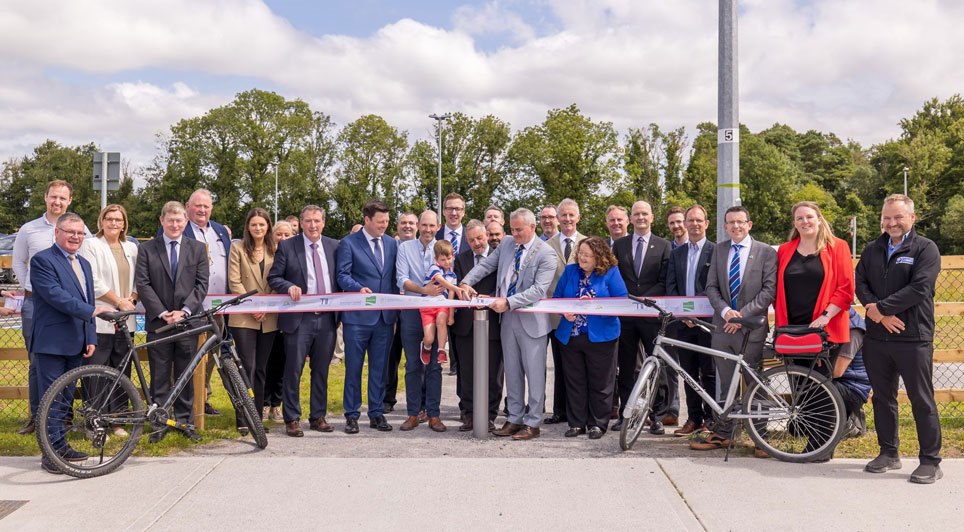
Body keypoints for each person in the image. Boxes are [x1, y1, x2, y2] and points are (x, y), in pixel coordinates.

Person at [855, 194, 943, 484]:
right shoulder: (872, 249)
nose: (892, 223)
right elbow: (860, 283)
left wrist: (881, 308)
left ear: (912, 218)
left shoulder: (925, 248)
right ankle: (888, 453)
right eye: (887, 218)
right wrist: (879, 315)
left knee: (921, 399)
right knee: (882, 398)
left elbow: (920, 288)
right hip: (877, 338)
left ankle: (930, 461)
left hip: (913, 337)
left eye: (898, 217)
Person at [460, 208, 557, 441]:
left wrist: (508, 302)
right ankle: (514, 418)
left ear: (532, 227)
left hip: (532, 322)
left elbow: (538, 290)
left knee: (534, 374)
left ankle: (533, 422)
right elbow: (486, 266)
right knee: (512, 372)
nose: (514, 234)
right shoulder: (506, 244)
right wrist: (465, 281)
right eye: (512, 229)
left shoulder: (546, 253)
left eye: (519, 230)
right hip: (508, 320)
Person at [29, 213, 111, 473]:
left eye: (80, 233)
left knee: (65, 400)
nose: (76, 237)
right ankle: (50, 455)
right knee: (50, 399)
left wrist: (90, 336)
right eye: (70, 232)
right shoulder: (42, 260)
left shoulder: (84, 263)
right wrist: (91, 311)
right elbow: (56, 295)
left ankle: (61, 447)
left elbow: (87, 297)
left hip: (77, 342)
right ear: (57, 233)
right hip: (52, 343)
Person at [691, 205, 777, 453]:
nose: (736, 226)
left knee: (755, 383)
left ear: (749, 224)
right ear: (725, 226)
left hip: (751, 329)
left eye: (740, 222)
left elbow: (768, 290)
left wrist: (741, 316)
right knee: (726, 383)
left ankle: (761, 438)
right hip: (722, 328)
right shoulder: (719, 250)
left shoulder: (765, 252)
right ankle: (725, 433)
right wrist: (726, 312)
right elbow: (711, 287)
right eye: (731, 222)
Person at [773, 201, 854, 458]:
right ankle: (813, 436)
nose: (805, 221)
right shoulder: (785, 250)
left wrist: (825, 316)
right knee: (799, 386)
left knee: (820, 386)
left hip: (825, 329)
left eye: (809, 217)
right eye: (799, 218)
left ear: (819, 219)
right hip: (791, 330)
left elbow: (845, 288)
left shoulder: (837, 246)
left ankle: (822, 445)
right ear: (794, 223)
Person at [12, 180, 88, 436]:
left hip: (69, 304)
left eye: (62, 198)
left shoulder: (79, 229)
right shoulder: (29, 229)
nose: (57, 201)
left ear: (70, 201)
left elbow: (82, 264)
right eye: (53, 196)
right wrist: (32, 285)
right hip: (36, 303)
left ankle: (64, 418)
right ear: (45, 197)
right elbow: (18, 262)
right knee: (38, 362)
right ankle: (38, 417)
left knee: (70, 360)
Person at [135, 201, 209, 443]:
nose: (175, 224)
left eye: (179, 220)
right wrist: (162, 312)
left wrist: (185, 311)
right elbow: (143, 284)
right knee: (159, 374)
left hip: (187, 322)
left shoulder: (198, 249)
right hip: (160, 323)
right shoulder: (147, 249)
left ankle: (184, 421)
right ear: (162, 221)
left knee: (184, 374)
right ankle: (159, 422)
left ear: (185, 222)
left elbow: (201, 284)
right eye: (170, 220)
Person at [267, 205, 340, 437]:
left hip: (327, 319)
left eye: (317, 220)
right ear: (301, 222)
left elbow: (340, 278)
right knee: (293, 370)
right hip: (299, 319)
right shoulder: (288, 246)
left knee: (321, 371)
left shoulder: (334, 246)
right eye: (308, 220)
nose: (313, 225)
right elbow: (274, 277)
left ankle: (318, 416)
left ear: (323, 223)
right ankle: (292, 418)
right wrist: (289, 286)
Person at [552, 237, 628, 439]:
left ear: (599, 256)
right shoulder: (570, 271)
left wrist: (596, 304)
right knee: (574, 382)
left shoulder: (611, 272)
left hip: (602, 336)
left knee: (600, 383)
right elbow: (557, 298)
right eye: (580, 253)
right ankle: (576, 424)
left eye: (587, 255)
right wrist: (564, 311)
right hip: (571, 335)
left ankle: (597, 424)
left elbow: (622, 301)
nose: (582, 258)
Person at [336, 200, 399, 433]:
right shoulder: (349, 243)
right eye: (380, 221)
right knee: (353, 368)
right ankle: (352, 415)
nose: (385, 225)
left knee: (379, 369)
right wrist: (357, 288)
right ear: (367, 220)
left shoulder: (392, 244)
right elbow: (342, 275)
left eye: (387, 221)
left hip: (384, 319)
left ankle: (376, 413)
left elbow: (394, 277)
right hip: (357, 319)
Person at [78, 204, 138, 438]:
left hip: (125, 319)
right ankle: (94, 420)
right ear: (101, 221)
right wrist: (118, 301)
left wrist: (131, 299)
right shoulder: (91, 245)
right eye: (109, 218)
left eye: (118, 219)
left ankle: (118, 419)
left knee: (122, 370)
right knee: (96, 371)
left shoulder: (131, 247)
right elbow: (91, 280)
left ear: (124, 224)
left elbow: (138, 279)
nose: (114, 223)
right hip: (102, 318)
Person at [612, 200, 671, 434]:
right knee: (626, 367)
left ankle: (657, 416)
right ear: (631, 219)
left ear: (652, 217)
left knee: (657, 365)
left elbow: (665, 280)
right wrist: (629, 298)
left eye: (644, 214)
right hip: (626, 315)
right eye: (636, 214)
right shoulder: (619, 245)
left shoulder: (664, 246)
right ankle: (626, 415)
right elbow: (614, 276)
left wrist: (644, 299)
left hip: (651, 315)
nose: (640, 218)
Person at [664, 204, 716, 436]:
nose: (694, 224)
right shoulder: (676, 253)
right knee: (688, 373)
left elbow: (715, 287)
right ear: (685, 224)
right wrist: (683, 314)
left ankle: (711, 419)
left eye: (698, 220)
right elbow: (671, 287)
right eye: (690, 220)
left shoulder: (716, 251)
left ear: (706, 223)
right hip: (683, 324)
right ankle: (694, 418)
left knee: (709, 372)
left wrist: (697, 314)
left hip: (707, 323)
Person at [181, 189, 232, 417]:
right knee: (187, 354)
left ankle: (203, 397)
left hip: (217, 307)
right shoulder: (179, 228)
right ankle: (184, 400)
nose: (202, 210)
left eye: (206, 206)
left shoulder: (220, 231)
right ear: (187, 207)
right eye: (197, 205)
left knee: (211, 354)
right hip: (189, 306)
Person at [227, 208, 278, 435]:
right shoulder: (237, 248)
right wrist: (254, 306)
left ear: (268, 227)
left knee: (261, 369)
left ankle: (256, 417)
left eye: (262, 224)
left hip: (269, 317)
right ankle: (243, 417)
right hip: (244, 316)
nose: (258, 228)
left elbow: (278, 280)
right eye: (254, 224)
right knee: (246, 367)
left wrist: (266, 306)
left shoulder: (275, 249)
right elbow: (234, 282)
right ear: (248, 226)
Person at [395, 210, 446, 432]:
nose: (427, 229)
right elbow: (402, 279)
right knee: (413, 365)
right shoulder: (405, 248)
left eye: (432, 225)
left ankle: (434, 415)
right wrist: (424, 290)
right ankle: (413, 414)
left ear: (438, 226)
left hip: (436, 312)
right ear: (418, 226)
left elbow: (450, 276)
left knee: (435, 365)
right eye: (424, 225)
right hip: (412, 311)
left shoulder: (442, 248)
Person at [452, 219, 503, 432]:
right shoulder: (460, 259)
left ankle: (489, 415)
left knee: (493, 374)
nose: (477, 243)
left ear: (487, 236)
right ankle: (469, 414)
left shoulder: (500, 258)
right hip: (465, 326)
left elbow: (504, 286)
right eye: (472, 240)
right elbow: (455, 286)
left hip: (492, 324)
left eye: (480, 238)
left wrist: (489, 298)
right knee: (466, 372)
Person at [545, 198, 588, 425]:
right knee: (560, 364)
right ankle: (559, 410)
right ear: (558, 218)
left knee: (579, 366)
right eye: (563, 215)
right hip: (555, 316)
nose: (568, 219)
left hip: (583, 317)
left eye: (571, 215)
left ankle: (578, 411)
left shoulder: (587, 243)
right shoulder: (547, 245)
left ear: (578, 217)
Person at [385, 212, 418, 412]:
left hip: (415, 309)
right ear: (397, 226)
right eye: (403, 223)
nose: (407, 226)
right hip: (392, 308)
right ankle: (387, 399)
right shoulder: (389, 247)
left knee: (416, 358)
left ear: (417, 226)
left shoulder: (423, 248)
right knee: (390, 355)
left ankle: (419, 403)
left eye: (411, 223)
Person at [262, 220, 294, 422]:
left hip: (288, 318)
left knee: (283, 364)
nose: (282, 238)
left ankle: (276, 404)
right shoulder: (265, 254)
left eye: (287, 235)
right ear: (272, 235)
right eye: (279, 234)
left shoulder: (294, 255)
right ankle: (265, 403)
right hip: (267, 317)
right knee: (267, 362)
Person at [419, 240, 459, 365]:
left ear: (453, 256)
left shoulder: (453, 276)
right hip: (427, 306)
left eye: (449, 258)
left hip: (442, 305)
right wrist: (455, 288)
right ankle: (426, 346)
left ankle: (441, 350)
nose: (446, 262)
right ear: (436, 259)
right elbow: (440, 279)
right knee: (429, 338)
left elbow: (451, 296)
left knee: (441, 321)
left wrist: (451, 315)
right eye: (443, 259)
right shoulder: (434, 268)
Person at [836, 309, 871, 439]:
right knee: (795, 428)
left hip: (853, 389)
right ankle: (847, 417)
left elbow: (837, 371)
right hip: (840, 383)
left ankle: (850, 425)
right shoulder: (837, 323)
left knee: (815, 385)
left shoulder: (853, 330)